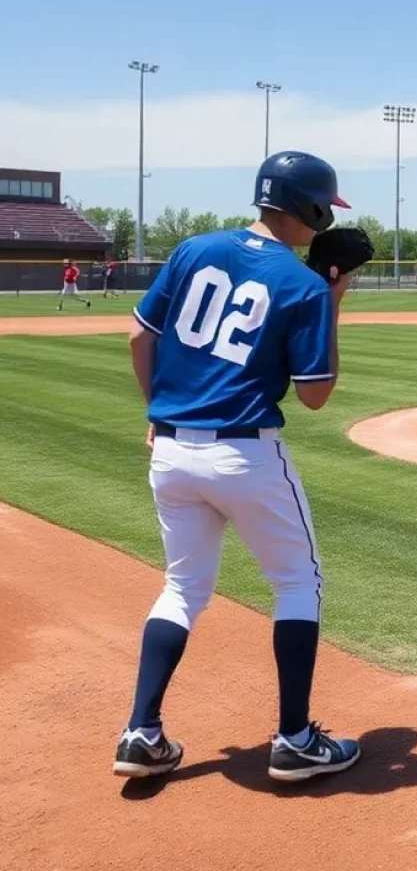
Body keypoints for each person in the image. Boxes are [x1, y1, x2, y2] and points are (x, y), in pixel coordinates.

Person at [113, 150, 362, 783]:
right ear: (307, 206)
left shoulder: (194, 248)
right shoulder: (303, 285)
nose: (322, 223)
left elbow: (140, 336)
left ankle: (141, 733)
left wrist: (157, 410)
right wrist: (331, 302)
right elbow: (314, 395)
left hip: (170, 451)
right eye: (322, 211)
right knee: (296, 584)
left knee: (181, 587)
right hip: (244, 454)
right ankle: (297, 739)